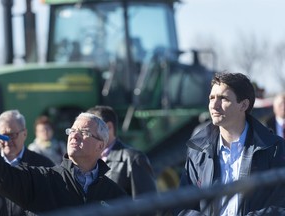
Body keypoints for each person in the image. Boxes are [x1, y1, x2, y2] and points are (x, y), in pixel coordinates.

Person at [176, 72, 285, 215]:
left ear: (244, 105)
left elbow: (280, 204)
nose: (214, 105)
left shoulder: (274, 149)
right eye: (211, 98)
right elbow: (182, 206)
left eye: (223, 98)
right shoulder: (198, 151)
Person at [0, 112, 127, 214]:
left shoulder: (115, 195)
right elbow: (2, 176)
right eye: (72, 131)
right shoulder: (41, 180)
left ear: (100, 146)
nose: (74, 136)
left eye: (84, 132)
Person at [87, 105, 157, 199]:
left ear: (108, 127)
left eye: (90, 130)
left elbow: (148, 205)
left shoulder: (133, 160)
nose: (86, 136)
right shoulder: (87, 159)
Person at [0, 109, 55, 216]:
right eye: (2, 136)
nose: (7, 140)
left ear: (25, 134)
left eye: (12, 135)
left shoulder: (43, 165)